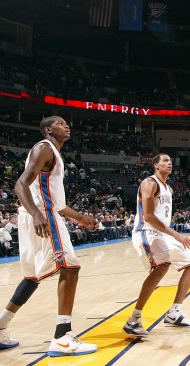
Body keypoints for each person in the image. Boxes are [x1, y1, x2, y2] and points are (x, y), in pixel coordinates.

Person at [0, 116, 99, 356]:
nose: (67, 126)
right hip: (40, 216)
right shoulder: (45, 147)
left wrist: (81, 218)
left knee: (32, 277)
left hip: (36, 214)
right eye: (60, 123)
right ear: (48, 129)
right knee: (70, 267)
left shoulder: (52, 153)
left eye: (67, 123)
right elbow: (20, 184)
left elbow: (58, 204)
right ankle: (62, 337)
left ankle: (1, 325)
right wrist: (36, 214)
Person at [122, 154, 190, 338]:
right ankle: (134, 319)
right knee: (161, 266)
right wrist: (175, 234)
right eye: (165, 160)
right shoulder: (150, 183)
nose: (169, 162)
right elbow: (148, 216)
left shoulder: (168, 188)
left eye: (171, 160)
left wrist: (171, 234)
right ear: (156, 165)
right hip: (147, 231)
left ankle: (174, 312)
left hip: (163, 233)